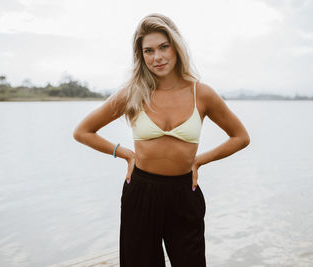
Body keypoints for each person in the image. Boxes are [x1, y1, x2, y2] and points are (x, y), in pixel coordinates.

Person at [73, 13, 250, 267]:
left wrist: (198, 162)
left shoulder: (202, 94)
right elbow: (83, 131)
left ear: (176, 47)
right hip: (141, 192)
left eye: (164, 47)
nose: (157, 57)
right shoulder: (133, 93)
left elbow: (240, 137)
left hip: (184, 194)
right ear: (141, 55)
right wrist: (124, 153)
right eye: (149, 51)